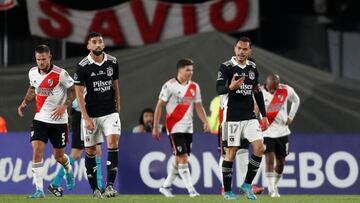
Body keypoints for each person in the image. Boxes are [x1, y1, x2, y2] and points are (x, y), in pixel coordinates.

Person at [17, 45, 75, 199]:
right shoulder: (32, 72)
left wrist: (64, 106)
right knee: (36, 152)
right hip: (40, 119)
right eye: (38, 59)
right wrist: (24, 102)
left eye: (43, 59)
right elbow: (32, 87)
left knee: (59, 157)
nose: (41, 62)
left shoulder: (60, 74)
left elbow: (75, 90)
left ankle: (68, 170)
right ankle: (39, 190)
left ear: (50, 57)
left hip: (59, 122)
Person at [216, 37, 269, 200]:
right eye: (239, 48)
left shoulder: (252, 68)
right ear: (235, 49)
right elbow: (219, 89)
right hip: (231, 116)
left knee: (260, 148)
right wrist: (230, 87)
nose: (241, 52)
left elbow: (257, 92)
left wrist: (264, 115)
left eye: (245, 49)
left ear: (249, 51)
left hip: (249, 116)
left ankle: (247, 184)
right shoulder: (226, 67)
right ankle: (227, 191)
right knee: (231, 153)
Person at [152, 58, 210, 198]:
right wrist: (155, 126)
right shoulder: (169, 85)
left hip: (188, 128)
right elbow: (160, 106)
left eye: (192, 70)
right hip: (174, 127)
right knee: (183, 157)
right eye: (187, 70)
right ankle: (191, 190)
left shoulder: (194, 87)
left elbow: (198, 106)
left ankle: (165, 186)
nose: (191, 72)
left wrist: (205, 121)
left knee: (179, 158)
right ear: (180, 70)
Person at [74, 32, 121, 198]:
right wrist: (85, 118)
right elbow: (78, 95)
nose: (98, 44)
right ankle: (94, 189)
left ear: (104, 44)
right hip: (91, 114)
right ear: (88, 46)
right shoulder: (82, 66)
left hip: (110, 112)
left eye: (100, 41)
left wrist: (118, 107)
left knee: (113, 142)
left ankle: (109, 186)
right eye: (94, 42)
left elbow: (115, 86)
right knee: (91, 150)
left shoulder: (113, 62)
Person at [208, 95, 264, 196]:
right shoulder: (228, 88)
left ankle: (248, 185)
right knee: (226, 154)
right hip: (229, 124)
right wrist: (217, 127)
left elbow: (256, 105)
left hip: (246, 122)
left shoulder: (249, 86)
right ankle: (225, 187)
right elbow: (222, 109)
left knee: (243, 152)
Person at [48, 99, 103, 197]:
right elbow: (75, 92)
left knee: (97, 151)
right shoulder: (79, 84)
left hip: (91, 113)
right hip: (81, 114)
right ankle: (55, 183)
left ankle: (99, 187)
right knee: (76, 153)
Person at [260, 73, 300, 197]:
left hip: (283, 132)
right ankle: (271, 190)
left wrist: (291, 116)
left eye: (275, 88)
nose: (273, 90)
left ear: (278, 84)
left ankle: (275, 185)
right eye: (271, 88)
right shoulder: (259, 92)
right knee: (269, 159)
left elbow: (296, 100)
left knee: (281, 163)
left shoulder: (285, 90)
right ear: (267, 84)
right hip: (266, 132)